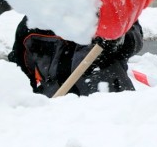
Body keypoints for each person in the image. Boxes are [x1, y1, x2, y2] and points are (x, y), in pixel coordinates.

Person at [8, 16, 143, 98]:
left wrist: (119, 38)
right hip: (56, 109)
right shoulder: (32, 24)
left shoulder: (103, 10)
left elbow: (135, 40)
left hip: (107, 103)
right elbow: (20, 75)